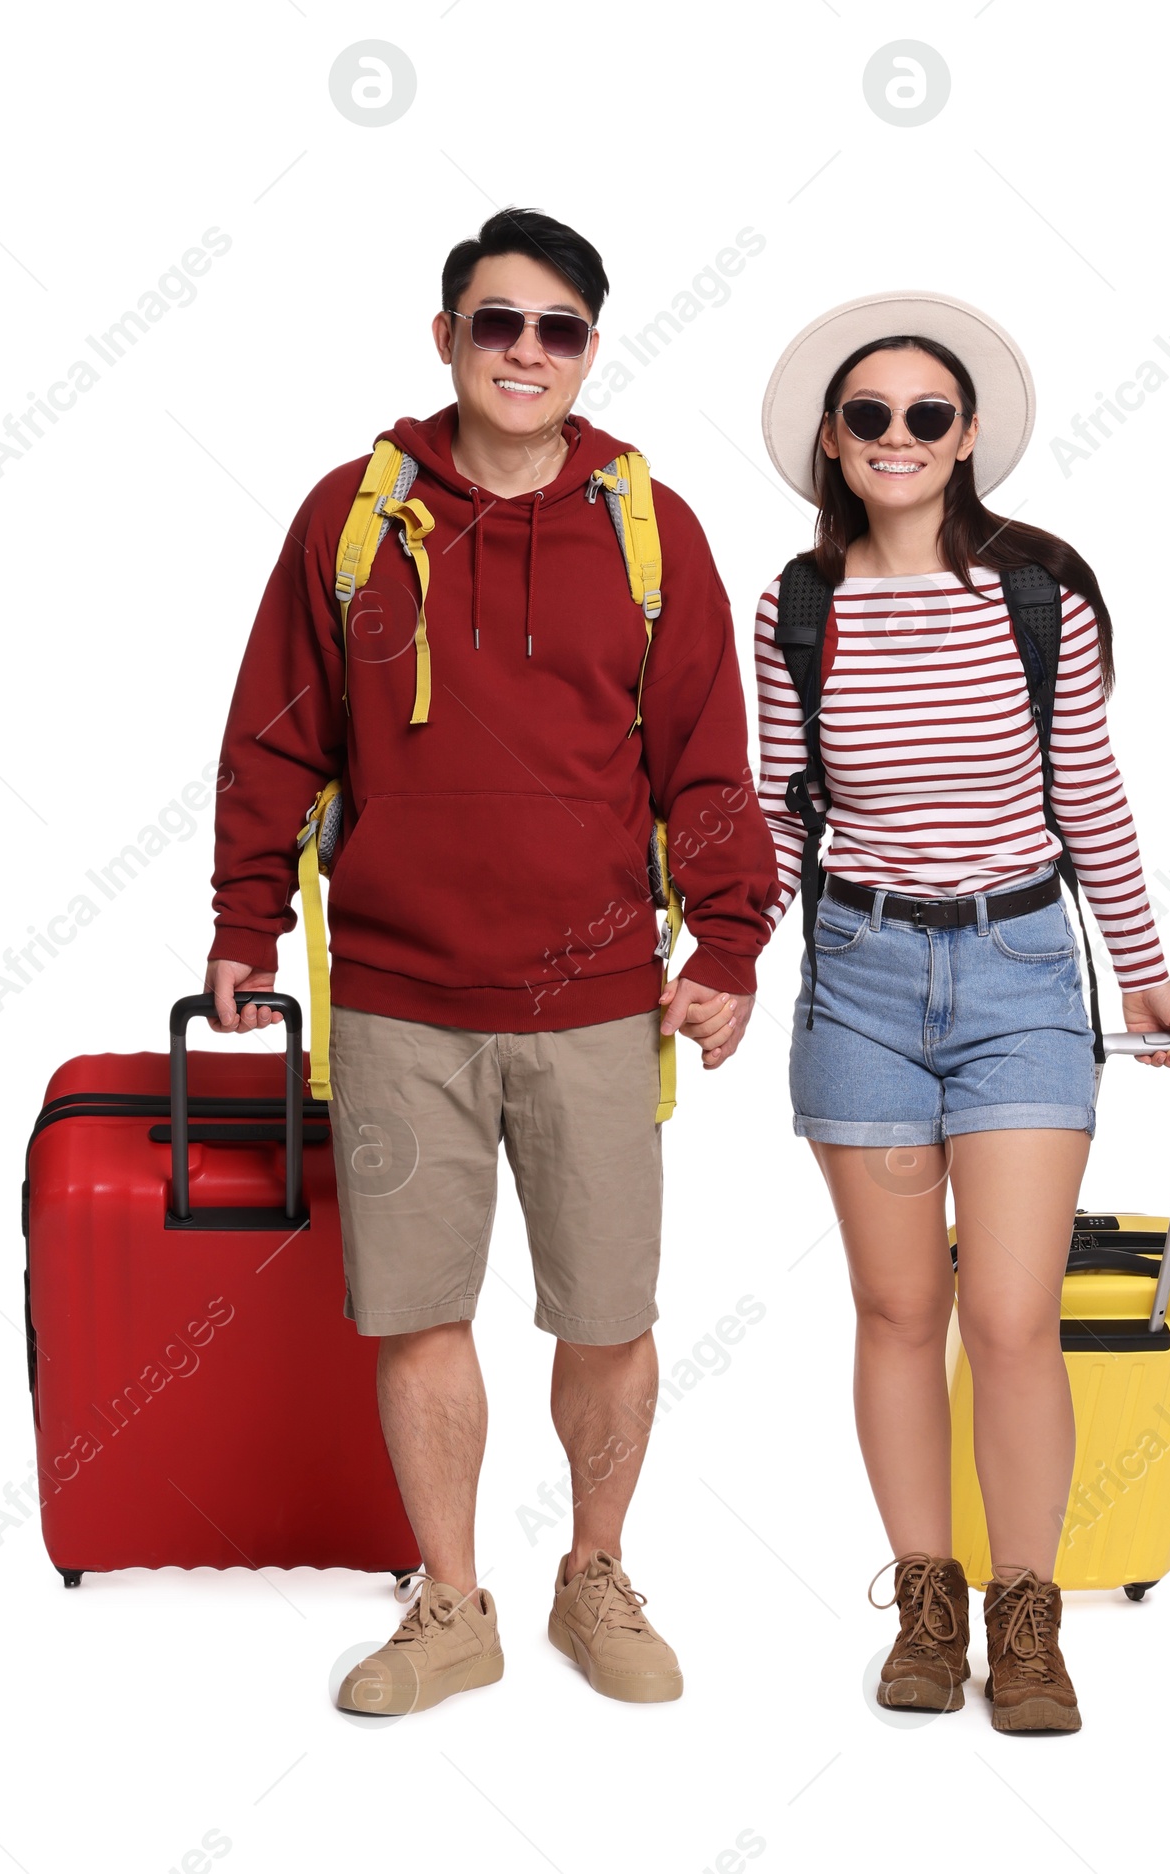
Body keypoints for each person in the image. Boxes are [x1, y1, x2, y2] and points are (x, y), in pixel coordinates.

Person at [203, 208, 777, 1715]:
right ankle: (450, 1602)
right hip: (395, 995)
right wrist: (241, 925)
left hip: (594, 1000)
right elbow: (273, 739)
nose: (526, 350)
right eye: (498, 320)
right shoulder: (350, 513)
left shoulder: (651, 527)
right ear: (446, 334)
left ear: (590, 350)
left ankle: (593, 1572)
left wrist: (728, 936)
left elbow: (709, 762)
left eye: (559, 328)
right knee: (417, 1313)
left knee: (609, 1314)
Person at [754, 292, 1170, 1733]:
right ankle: (925, 1605)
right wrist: (720, 960)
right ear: (832, 436)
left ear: (968, 437)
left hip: (1017, 982)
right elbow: (769, 814)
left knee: (1009, 1315)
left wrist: (1139, 963)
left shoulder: (1034, 594)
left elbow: (1088, 795)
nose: (896, 437)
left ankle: (1031, 1616)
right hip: (862, 981)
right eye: (868, 415)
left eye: (925, 416)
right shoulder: (797, 606)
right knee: (897, 1306)